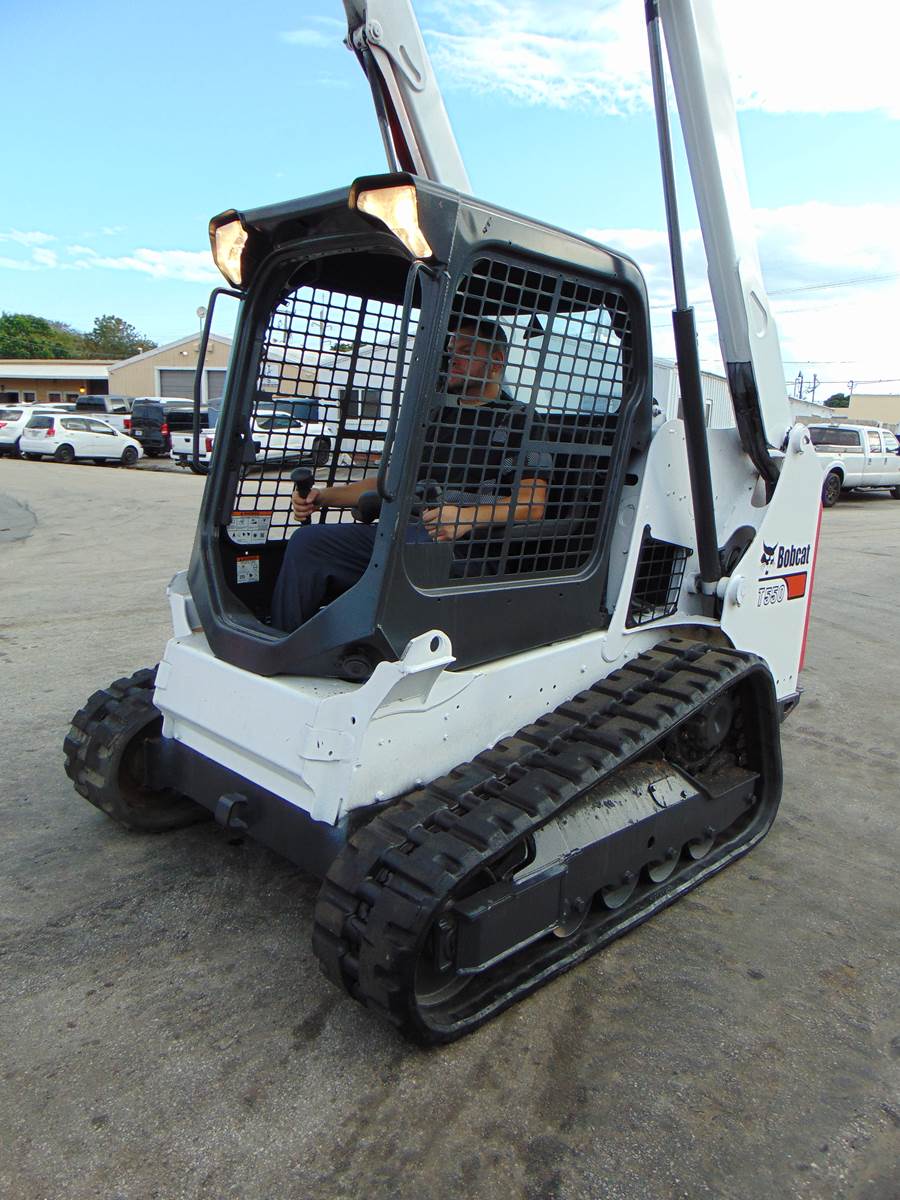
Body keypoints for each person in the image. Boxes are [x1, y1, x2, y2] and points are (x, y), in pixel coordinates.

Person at [270, 317, 550, 631]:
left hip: (463, 549)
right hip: (406, 535)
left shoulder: (521, 422)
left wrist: (466, 518)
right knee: (308, 542)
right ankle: (283, 643)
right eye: (451, 349)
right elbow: (392, 480)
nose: (452, 357)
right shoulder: (437, 418)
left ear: (495, 361)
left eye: (465, 350)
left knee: (411, 552)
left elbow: (533, 503)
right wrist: (321, 496)